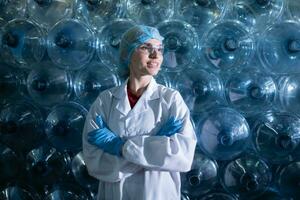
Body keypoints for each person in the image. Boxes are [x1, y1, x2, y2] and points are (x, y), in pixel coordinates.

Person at [82, 25, 197, 200]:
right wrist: (156, 148)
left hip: (158, 193)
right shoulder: (105, 101)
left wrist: (120, 147)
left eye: (159, 49)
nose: (155, 55)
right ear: (127, 54)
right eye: (146, 47)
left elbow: (183, 155)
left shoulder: (171, 99)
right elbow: (93, 161)